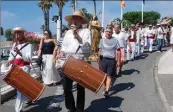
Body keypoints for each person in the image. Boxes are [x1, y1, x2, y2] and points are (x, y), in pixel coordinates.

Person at [60, 11, 91, 112]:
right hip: (68, 61)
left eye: (77, 18)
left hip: (81, 61)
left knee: (80, 88)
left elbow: (87, 47)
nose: (74, 20)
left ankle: (80, 109)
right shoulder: (68, 33)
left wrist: (77, 35)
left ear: (81, 20)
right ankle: (71, 108)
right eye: (73, 18)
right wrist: (61, 53)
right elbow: (64, 47)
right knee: (66, 87)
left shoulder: (86, 31)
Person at [8, 27, 33, 112]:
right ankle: (29, 98)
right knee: (21, 88)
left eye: (19, 33)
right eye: (15, 33)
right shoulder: (14, 45)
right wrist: (9, 61)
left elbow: (29, 59)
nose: (17, 35)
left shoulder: (28, 45)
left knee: (20, 89)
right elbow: (11, 56)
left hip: (24, 68)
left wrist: (20, 53)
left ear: (23, 34)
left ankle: (18, 110)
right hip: (15, 67)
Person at [98, 26, 120, 98]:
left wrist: (118, 61)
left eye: (110, 32)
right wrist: (98, 60)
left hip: (111, 60)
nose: (108, 33)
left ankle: (107, 91)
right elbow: (99, 51)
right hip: (103, 60)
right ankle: (106, 86)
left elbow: (118, 51)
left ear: (112, 33)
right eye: (107, 31)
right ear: (105, 32)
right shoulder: (102, 40)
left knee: (109, 76)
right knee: (103, 76)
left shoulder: (115, 40)